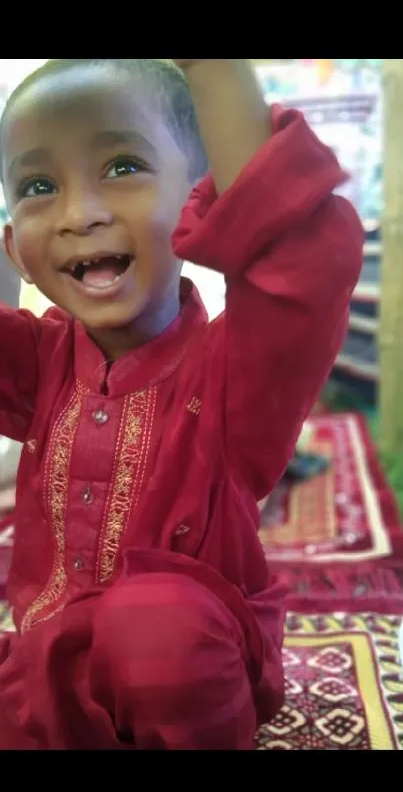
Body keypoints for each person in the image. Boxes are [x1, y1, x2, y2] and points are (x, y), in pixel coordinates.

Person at [0, 59, 363, 750]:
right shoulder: (39, 362)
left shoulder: (234, 373)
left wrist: (213, 71)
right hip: (51, 667)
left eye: (122, 166)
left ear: (205, 197)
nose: (81, 214)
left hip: (192, 672)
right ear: (16, 249)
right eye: (40, 186)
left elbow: (300, 253)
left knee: (154, 628)